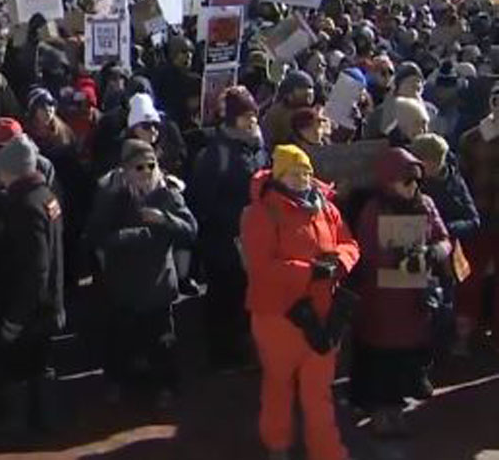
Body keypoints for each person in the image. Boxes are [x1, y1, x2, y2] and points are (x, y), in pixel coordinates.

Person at [241, 145, 359, 460]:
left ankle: (328, 453)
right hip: (279, 317)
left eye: (307, 171)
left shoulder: (325, 206)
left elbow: (349, 242)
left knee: (318, 394)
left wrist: (341, 262)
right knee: (279, 386)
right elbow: (261, 266)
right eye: (295, 172)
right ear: (279, 175)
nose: (303, 178)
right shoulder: (261, 212)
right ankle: (278, 445)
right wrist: (312, 272)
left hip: (322, 313)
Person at [348, 147, 451, 436]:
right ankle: (381, 410)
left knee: (406, 354)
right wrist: (400, 256)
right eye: (407, 181)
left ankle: (397, 403)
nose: (414, 186)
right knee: (381, 356)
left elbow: (444, 238)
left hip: (414, 297)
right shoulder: (374, 209)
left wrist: (434, 252)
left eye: (417, 180)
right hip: (381, 299)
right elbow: (366, 252)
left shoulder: (426, 205)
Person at [87, 139, 196, 406]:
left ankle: (166, 387)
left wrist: (164, 219)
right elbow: (96, 236)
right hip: (123, 285)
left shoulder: (168, 194)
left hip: (158, 285)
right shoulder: (112, 197)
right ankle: (118, 383)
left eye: (151, 165)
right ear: (125, 170)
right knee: (120, 341)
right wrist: (138, 235)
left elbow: (191, 229)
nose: (147, 172)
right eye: (139, 167)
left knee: (163, 343)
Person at [187, 86, 267, 370]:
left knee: (247, 297)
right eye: (246, 116)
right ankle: (222, 356)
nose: (252, 121)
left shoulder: (258, 146)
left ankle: (244, 349)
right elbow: (201, 199)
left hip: (254, 237)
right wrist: (228, 222)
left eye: (254, 115)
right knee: (224, 297)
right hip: (224, 240)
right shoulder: (216, 154)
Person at [0, 133, 65, 433]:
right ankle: (46, 421)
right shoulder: (47, 197)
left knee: (20, 368)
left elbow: (35, 268)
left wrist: (15, 320)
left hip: (30, 311)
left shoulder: (23, 206)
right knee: (42, 367)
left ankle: (19, 424)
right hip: (49, 304)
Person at [410, 133, 479, 356]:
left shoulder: (454, 182)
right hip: (415, 252)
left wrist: (445, 230)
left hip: (445, 257)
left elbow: (473, 219)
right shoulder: (409, 181)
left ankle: (440, 351)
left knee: (444, 305)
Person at [455, 79, 499, 352]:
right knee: (470, 280)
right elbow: (462, 181)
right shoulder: (472, 138)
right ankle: (463, 335)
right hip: (480, 218)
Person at [261, 70, 317, 150]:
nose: (308, 92)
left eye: (310, 88)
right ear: (289, 92)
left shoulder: (314, 112)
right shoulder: (277, 114)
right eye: (302, 88)